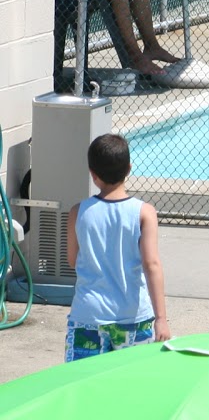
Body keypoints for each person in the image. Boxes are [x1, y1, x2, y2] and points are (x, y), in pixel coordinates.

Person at [65, 133, 169, 361]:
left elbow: (73, 260)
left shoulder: (78, 212)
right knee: (132, 387)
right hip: (133, 317)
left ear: (93, 175)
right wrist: (160, 318)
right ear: (129, 168)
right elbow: (151, 264)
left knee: (83, 384)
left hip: (88, 316)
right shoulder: (144, 212)